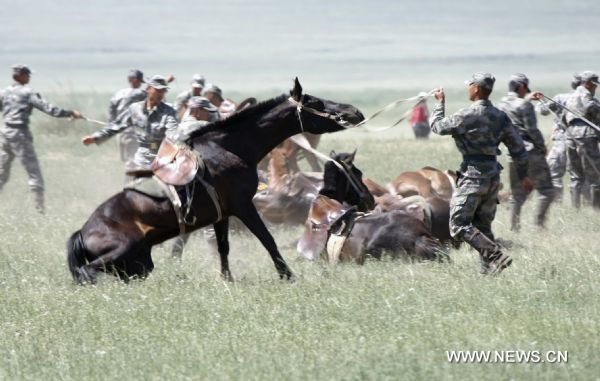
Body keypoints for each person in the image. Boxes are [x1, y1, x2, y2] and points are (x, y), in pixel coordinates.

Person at [430, 72, 532, 275]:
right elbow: (518, 149)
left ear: (476, 88)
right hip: (493, 176)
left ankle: (495, 255)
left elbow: (437, 127)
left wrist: (440, 103)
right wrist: (523, 176)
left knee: (458, 225)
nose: (468, 88)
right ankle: (486, 275)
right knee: (483, 226)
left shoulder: (466, 115)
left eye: (470, 86)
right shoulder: (501, 117)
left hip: (473, 176)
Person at [0, 64, 83, 213]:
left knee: (1, 172)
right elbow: (50, 109)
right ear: (21, 76)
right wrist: (70, 113)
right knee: (34, 173)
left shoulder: (4, 92)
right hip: (20, 134)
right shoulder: (28, 93)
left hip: (5, 134)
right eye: (28, 75)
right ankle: (39, 210)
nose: (30, 77)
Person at [82, 75, 178, 171]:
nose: (161, 93)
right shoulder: (135, 109)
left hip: (162, 158)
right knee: (133, 183)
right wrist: (96, 137)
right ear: (148, 89)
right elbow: (117, 125)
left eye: (163, 91)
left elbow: (173, 130)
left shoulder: (169, 111)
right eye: (157, 90)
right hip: (141, 159)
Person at [498, 74, 554, 230]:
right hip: (530, 152)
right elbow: (532, 130)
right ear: (522, 86)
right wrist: (542, 147)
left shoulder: (502, 103)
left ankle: (514, 227)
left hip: (512, 153)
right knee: (547, 191)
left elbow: (515, 107)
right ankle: (538, 225)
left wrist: (528, 98)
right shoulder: (525, 105)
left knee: (517, 195)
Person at [170, 96, 219, 258]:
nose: (209, 116)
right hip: (200, 181)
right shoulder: (204, 126)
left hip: (178, 181)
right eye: (207, 112)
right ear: (197, 111)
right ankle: (218, 260)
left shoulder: (176, 129)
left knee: (187, 220)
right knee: (210, 220)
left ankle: (175, 255)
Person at [538, 74, 582, 202]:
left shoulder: (561, 98)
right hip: (581, 142)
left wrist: (541, 100)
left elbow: (543, 110)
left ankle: (556, 203)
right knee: (578, 176)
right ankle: (578, 205)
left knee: (554, 173)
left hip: (561, 140)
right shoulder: (589, 100)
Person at [563, 70, 600, 209]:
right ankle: (597, 210)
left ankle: (575, 209)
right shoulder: (586, 96)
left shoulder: (570, 97)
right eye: (594, 85)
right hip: (586, 136)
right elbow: (589, 107)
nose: (596, 88)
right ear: (587, 83)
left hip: (570, 137)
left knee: (576, 176)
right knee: (595, 175)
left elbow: (563, 119)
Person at [109, 69, 147, 169]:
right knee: (132, 160)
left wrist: (112, 124)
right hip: (132, 133)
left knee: (126, 159)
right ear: (135, 80)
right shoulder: (142, 94)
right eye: (139, 81)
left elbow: (111, 112)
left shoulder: (119, 94)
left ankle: (131, 181)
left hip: (120, 133)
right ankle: (130, 183)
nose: (139, 84)